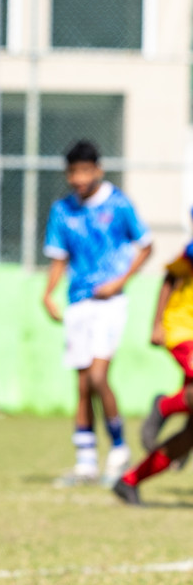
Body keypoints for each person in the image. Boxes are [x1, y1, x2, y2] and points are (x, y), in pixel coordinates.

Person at [42, 139, 153, 486]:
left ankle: (119, 448)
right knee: (80, 384)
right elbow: (59, 258)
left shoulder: (118, 204)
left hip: (110, 302)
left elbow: (146, 246)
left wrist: (120, 281)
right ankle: (86, 461)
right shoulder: (62, 210)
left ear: (98, 170)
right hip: (78, 302)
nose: (78, 178)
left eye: (85, 171)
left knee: (98, 376)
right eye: (73, 172)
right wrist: (47, 294)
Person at [119, 208, 193, 504]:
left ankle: (130, 480)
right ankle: (165, 405)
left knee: (189, 436)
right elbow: (168, 278)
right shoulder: (190, 251)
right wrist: (157, 322)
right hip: (184, 329)